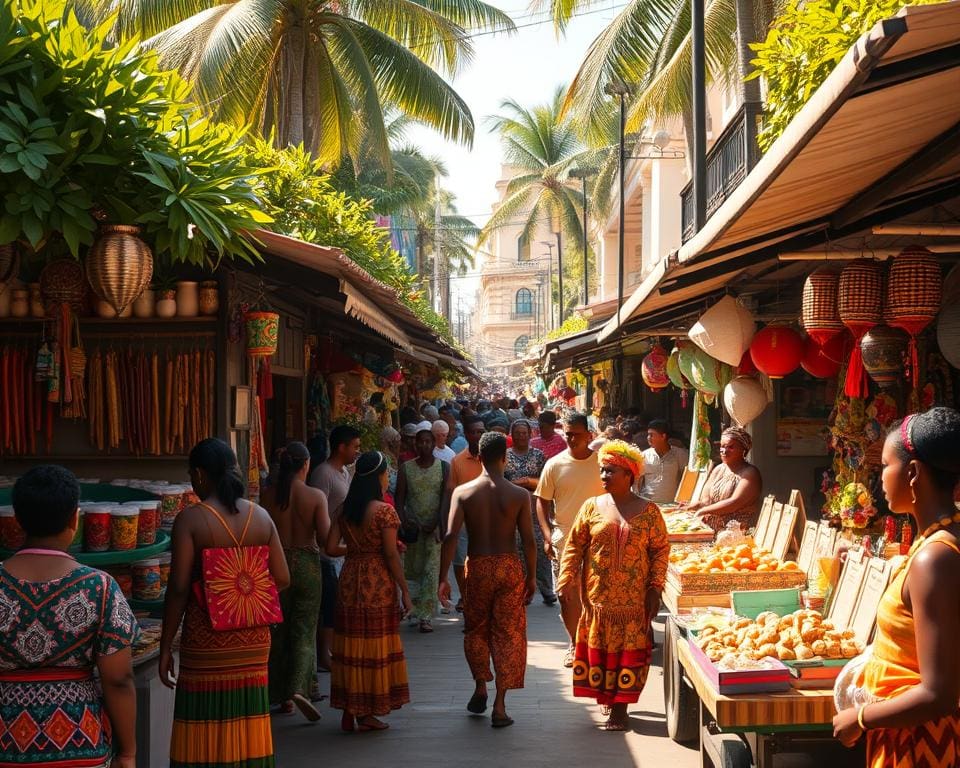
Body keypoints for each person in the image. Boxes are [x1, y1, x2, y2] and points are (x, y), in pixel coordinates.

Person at [833, 408, 960, 765]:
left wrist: (858, 719)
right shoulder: (938, 542)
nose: (880, 479)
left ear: (914, 473)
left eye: (885, 467)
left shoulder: (935, 558)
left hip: (924, 744)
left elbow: (939, 694)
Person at [161, 438, 290, 768]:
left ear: (202, 475)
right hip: (254, 639)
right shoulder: (260, 517)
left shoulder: (191, 519)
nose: (192, 481)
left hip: (207, 640)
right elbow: (283, 577)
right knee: (249, 717)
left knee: (203, 719)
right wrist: (241, 588)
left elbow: (177, 589)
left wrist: (165, 649)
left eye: (192, 474)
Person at [0, 466, 137, 768]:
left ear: (18, 521)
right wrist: (127, 753)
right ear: (75, 518)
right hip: (80, 742)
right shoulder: (99, 588)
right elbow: (119, 680)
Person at [557, 440, 670, 731]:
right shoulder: (591, 507)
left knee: (628, 653)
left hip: (634, 603)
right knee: (602, 651)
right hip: (597, 599)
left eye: (611, 471)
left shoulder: (650, 512)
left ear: (629, 475)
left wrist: (655, 587)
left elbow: (660, 550)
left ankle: (621, 709)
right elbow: (574, 546)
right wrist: (566, 579)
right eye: (603, 471)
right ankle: (608, 700)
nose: (604, 476)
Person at [439, 433, 537, 728]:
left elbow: (450, 536)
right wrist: (531, 576)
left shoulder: (464, 493)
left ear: (478, 458)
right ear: (504, 458)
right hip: (508, 566)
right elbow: (529, 541)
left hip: (478, 566)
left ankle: (481, 685)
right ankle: (500, 705)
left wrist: (443, 578)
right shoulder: (520, 495)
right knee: (508, 634)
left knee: (476, 631)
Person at [326, 451, 411, 731]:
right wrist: (405, 590)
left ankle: (351, 707)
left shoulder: (344, 510)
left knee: (352, 642)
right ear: (378, 476)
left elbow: (329, 547)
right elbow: (389, 553)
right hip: (377, 583)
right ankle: (366, 712)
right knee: (374, 643)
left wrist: (354, 549)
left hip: (350, 579)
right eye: (386, 473)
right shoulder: (384, 511)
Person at [535, 412, 606, 667]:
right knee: (566, 594)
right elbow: (542, 501)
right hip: (564, 538)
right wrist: (546, 534)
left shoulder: (602, 464)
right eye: (567, 434)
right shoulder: (554, 464)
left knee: (595, 595)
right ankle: (575, 643)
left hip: (599, 538)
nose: (571, 439)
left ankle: (594, 644)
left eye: (576, 434)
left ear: (589, 435)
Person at [264, 441, 328, 720]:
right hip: (306, 565)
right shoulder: (315, 496)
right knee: (304, 628)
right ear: (306, 465)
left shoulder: (267, 497)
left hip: (274, 566)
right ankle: (299, 688)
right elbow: (325, 540)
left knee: (277, 630)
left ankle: (278, 694)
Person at [310, 424, 361, 672]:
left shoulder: (343, 472)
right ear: (341, 447)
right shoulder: (323, 474)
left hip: (340, 548)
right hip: (326, 550)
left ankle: (330, 650)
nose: (356, 452)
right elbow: (317, 510)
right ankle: (324, 654)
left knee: (335, 604)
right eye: (354, 447)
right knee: (328, 606)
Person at [394, 425, 450, 632]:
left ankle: (426, 616)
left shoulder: (444, 467)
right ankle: (413, 610)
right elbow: (399, 499)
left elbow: (445, 498)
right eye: (421, 442)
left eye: (428, 442)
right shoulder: (406, 468)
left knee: (430, 570)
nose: (424, 445)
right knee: (413, 569)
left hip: (433, 528)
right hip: (412, 528)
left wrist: (438, 523)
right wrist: (404, 521)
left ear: (434, 444)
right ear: (415, 444)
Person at [505, 419, 555, 605]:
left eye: (524, 433)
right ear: (512, 435)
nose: (521, 437)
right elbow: (500, 481)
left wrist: (526, 481)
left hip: (534, 507)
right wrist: (518, 485)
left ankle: (546, 588)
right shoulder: (505, 456)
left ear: (530, 434)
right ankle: (521, 589)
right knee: (516, 548)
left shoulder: (539, 455)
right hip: (511, 509)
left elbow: (546, 482)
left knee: (539, 546)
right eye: (517, 433)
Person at [683, 426, 762, 531]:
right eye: (722, 446)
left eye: (730, 447)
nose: (724, 451)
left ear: (743, 449)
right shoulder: (719, 469)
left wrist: (703, 511)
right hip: (712, 531)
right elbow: (706, 500)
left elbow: (734, 503)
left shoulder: (750, 473)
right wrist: (693, 506)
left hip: (736, 534)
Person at [448, 417, 487, 611]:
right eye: (474, 432)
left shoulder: (492, 459)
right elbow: (452, 492)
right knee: (460, 560)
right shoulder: (457, 461)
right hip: (464, 520)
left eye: (481, 431)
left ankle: (480, 597)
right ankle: (465, 596)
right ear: (467, 435)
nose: (478, 435)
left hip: (488, 519)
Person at [638, 419, 689, 504]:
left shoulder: (680, 455)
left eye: (651, 435)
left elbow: (687, 479)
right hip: (648, 505)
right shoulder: (644, 455)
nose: (648, 438)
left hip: (672, 505)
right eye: (648, 435)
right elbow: (638, 481)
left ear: (663, 436)